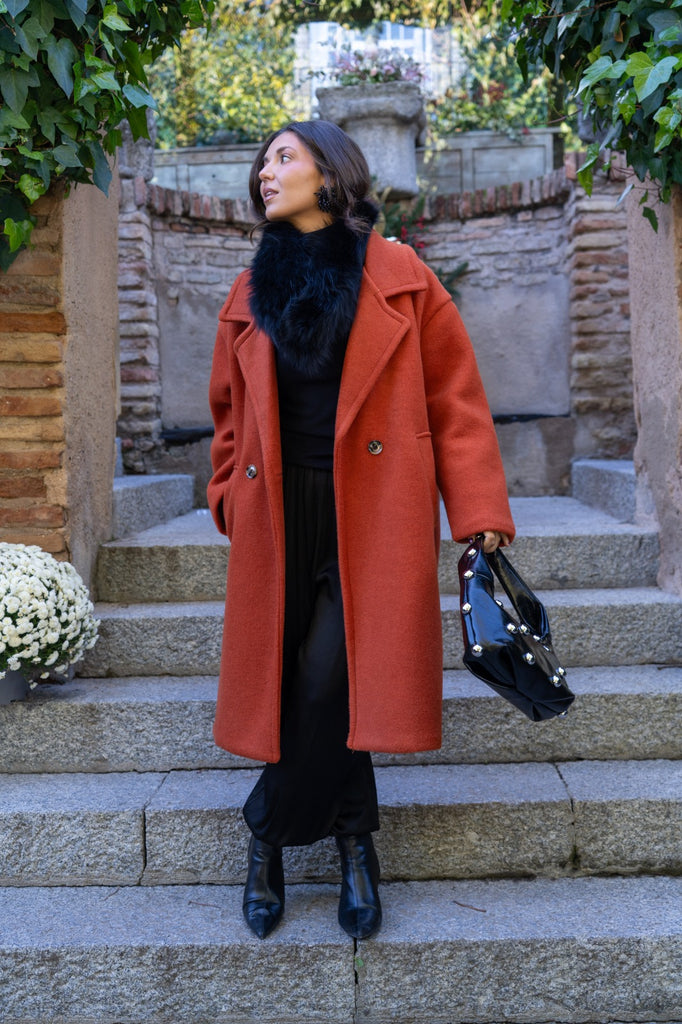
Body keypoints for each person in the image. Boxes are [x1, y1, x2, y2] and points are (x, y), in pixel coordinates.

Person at [207, 120, 515, 942]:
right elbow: (228, 411)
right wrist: (226, 493)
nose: (265, 172)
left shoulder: (402, 276)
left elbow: (455, 398)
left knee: (325, 680)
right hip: (278, 513)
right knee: (296, 680)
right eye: (263, 161)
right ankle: (354, 849)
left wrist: (478, 509)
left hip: (373, 510)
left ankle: (265, 834)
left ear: (330, 172)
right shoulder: (248, 289)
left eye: (284, 157)